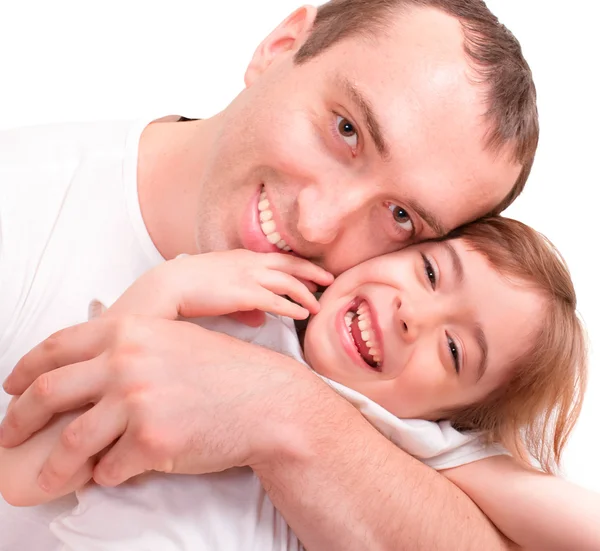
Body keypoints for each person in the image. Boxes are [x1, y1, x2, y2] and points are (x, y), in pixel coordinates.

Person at [0, 1, 539, 549]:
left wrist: (281, 410)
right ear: (281, 46)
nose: (317, 223)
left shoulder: (353, 341)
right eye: (346, 130)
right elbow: (24, 471)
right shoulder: (21, 208)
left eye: (401, 216)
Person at [1, 216, 596, 551]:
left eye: (453, 350)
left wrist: (475, 465)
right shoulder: (230, 318)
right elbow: (22, 475)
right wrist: (168, 289)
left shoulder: (407, 441)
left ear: (455, 417)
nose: (415, 315)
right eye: (431, 270)